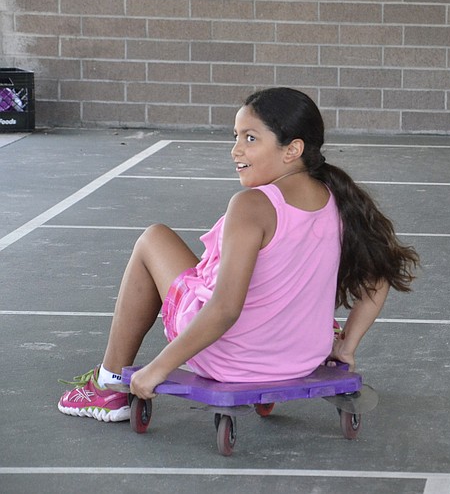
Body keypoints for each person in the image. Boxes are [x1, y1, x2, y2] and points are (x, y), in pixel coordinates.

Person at [58, 87, 419, 422]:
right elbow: (379, 274)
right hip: (302, 357)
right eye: (236, 137)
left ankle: (107, 387)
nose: (236, 151)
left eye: (250, 138)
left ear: (292, 149)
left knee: (154, 239)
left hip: (232, 360)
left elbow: (225, 308)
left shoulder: (252, 205)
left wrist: (157, 368)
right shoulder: (338, 198)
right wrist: (346, 346)